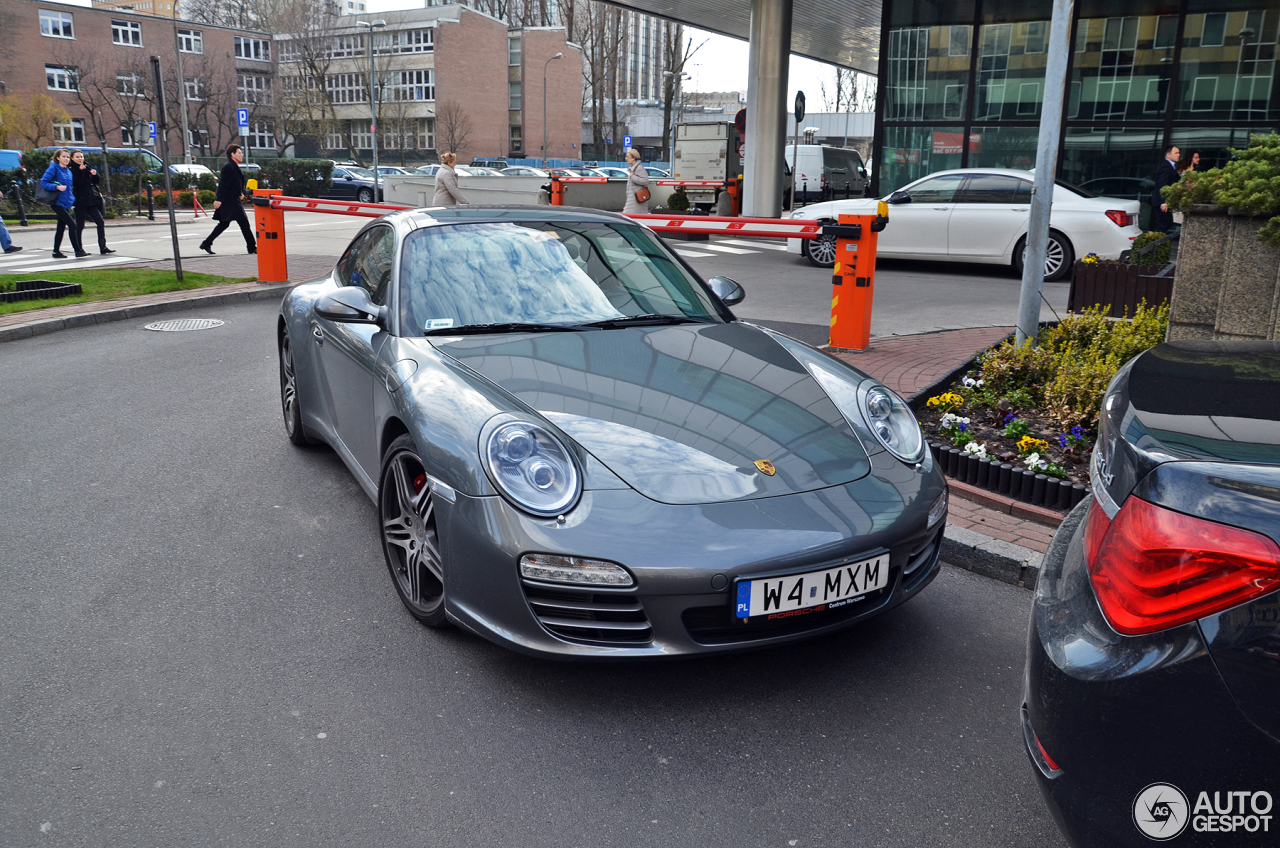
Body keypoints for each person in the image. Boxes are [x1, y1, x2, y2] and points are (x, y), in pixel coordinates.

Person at [199, 143, 256, 255]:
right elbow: (223, 184)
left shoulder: (233, 166)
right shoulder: (228, 167)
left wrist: (239, 192)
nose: (242, 155)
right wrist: (218, 199)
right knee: (243, 223)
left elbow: (233, 183)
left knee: (225, 224)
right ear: (232, 154)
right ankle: (252, 247)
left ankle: (206, 243)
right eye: (239, 153)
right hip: (229, 201)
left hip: (232, 199)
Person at [41, 148, 87, 259]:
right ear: (58, 158)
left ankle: (56, 251)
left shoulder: (68, 171)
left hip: (65, 202)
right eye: (63, 157)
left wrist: (71, 198)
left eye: (67, 157)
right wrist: (56, 187)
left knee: (61, 228)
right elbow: (43, 182)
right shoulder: (53, 168)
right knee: (73, 225)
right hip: (56, 201)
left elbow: (69, 188)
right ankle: (78, 250)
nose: (66, 159)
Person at [70, 150, 115, 255]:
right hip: (80, 201)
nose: (80, 159)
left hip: (91, 200)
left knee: (100, 221)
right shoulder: (72, 169)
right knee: (80, 225)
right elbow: (76, 183)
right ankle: (79, 249)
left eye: (81, 156)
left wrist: (95, 175)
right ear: (72, 158)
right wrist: (81, 171)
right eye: (77, 157)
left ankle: (103, 246)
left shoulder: (87, 166)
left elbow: (95, 182)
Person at [1149, 144, 1180, 233]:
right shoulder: (1166, 167)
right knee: (1162, 225)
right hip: (1161, 202)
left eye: (1179, 153)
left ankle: (1158, 244)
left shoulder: (1171, 167)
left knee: (1167, 223)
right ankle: (1155, 244)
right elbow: (1162, 184)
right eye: (1176, 153)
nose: (1178, 155)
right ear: (1168, 155)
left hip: (1163, 202)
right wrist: (1163, 201)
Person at [622, 147, 650, 214]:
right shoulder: (633, 168)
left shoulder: (639, 168)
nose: (626, 158)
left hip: (636, 200)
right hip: (633, 200)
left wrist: (633, 177)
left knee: (627, 217)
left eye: (628, 157)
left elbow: (645, 181)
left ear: (633, 158)